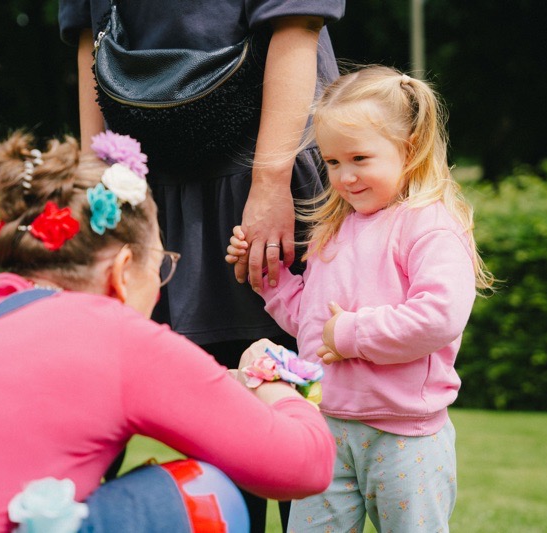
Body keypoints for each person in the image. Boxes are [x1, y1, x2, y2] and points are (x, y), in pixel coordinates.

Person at [0, 131, 336, 532]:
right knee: (210, 489)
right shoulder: (120, 336)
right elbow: (307, 465)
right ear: (123, 269)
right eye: (161, 268)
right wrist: (269, 380)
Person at [58, 1, 345, 529]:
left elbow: (298, 21)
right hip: (148, 188)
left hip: (258, 170)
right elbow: (89, 42)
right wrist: (100, 185)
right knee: (190, 409)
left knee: (283, 390)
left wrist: (270, 183)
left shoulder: (267, 181)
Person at [226, 66, 496, 532]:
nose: (345, 176)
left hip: (405, 436)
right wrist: (268, 279)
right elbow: (314, 323)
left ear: (408, 150)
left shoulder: (430, 225)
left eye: (359, 158)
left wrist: (351, 333)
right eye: (332, 163)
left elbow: (439, 317)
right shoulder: (337, 228)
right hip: (328, 426)